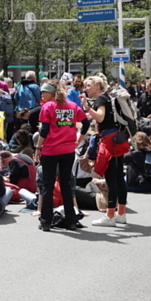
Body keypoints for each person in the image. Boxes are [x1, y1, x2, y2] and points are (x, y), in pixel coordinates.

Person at [33, 82, 88, 231]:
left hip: (50, 150)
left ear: (51, 93)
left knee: (48, 185)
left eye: (45, 92)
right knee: (66, 184)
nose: (42, 95)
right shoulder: (72, 106)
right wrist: (79, 139)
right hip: (68, 150)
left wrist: (38, 148)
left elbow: (44, 130)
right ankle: (70, 220)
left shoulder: (48, 107)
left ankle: (45, 221)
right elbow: (86, 123)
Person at [82, 76, 129, 227]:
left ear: (97, 85)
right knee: (119, 178)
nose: (86, 88)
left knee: (111, 179)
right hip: (118, 138)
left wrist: (87, 108)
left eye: (88, 85)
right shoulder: (108, 97)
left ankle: (110, 216)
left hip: (109, 142)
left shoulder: (101, 99)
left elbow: (101, 118)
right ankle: (121, 213)